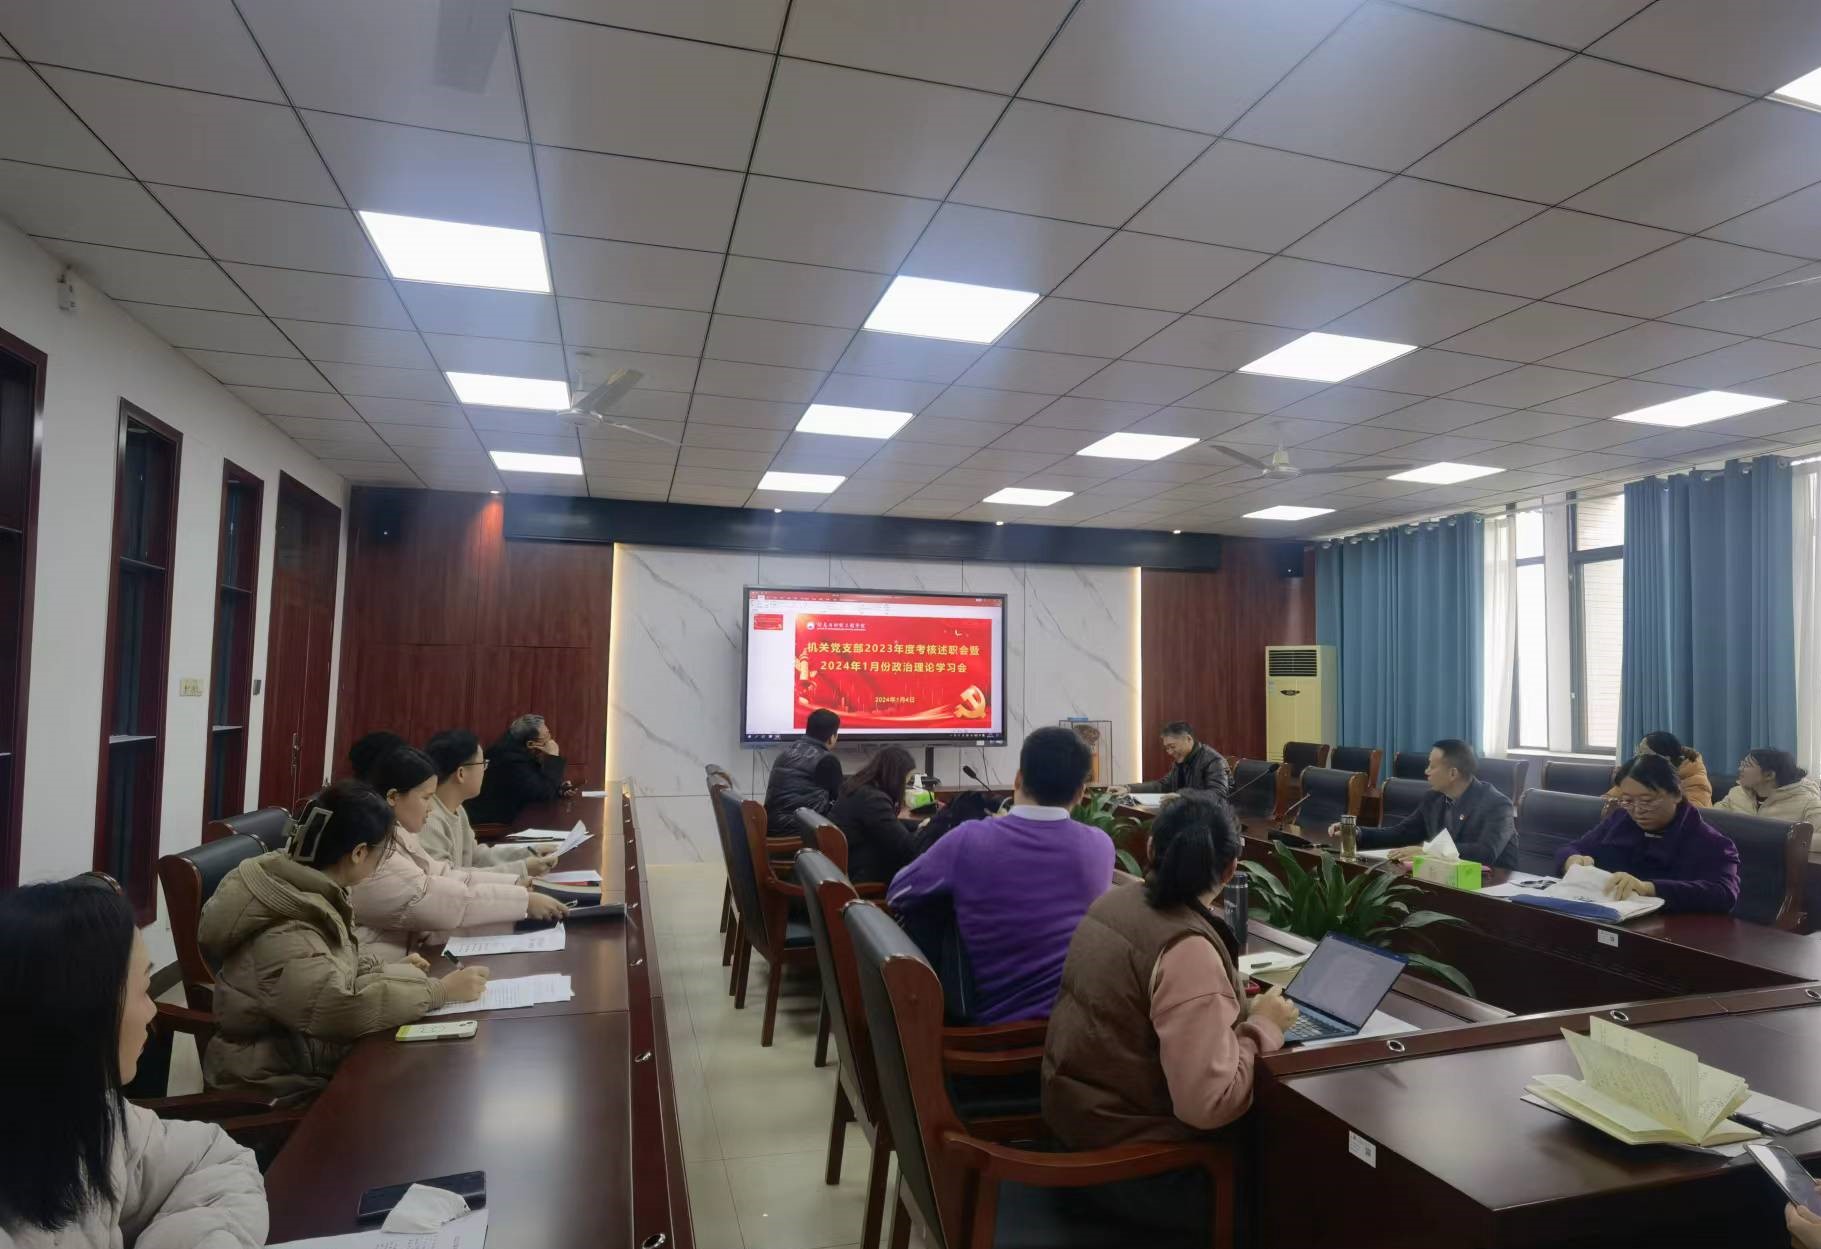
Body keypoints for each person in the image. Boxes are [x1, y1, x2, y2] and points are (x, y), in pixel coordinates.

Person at [0, 879, 268, 1248]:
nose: (153, 1012)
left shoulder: (89, 1115)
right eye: (143, 990)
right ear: (81, 1012)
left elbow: (216, 1160)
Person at [199, 780, 489, 1102]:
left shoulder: (307, 887)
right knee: (425, 1090)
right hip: (274, 1080)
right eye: (382, 854)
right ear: (359, 853)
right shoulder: (287, 924)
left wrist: (390, 970)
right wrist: (439, 991)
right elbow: (342, 1008)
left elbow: (332, 968)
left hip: (302, 1051)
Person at [888, 726, 1113, 1024]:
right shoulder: (1100, 846)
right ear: (1081, 793)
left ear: (1018, 779)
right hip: (1071, 1029)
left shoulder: (969, 839)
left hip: (989, 1033)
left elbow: (897, 893)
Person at [351, 746, 568, 961]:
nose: (430, 808)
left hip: (412, 950)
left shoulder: (398, 834)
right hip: (384, 964)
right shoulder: (376, 853)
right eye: (425, 798)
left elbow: (445, 875)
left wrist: (515, 883)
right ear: (393, 797)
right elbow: (442, 901)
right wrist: (523, 900)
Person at [1556, 753, 1740, 913]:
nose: (1638, 810)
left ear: (1676, 794)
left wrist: (1648, 888)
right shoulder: (1619, 821)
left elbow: (1724, 893)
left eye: (1647, 801)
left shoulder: (1712, 842)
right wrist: (1571, 860)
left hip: (1670, 931)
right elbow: (1573, 848)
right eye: (1628, 801)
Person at [1338, 739, 1516, 868]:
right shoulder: (1434, 798)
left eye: (1432, 766)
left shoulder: (1497, 805)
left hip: (1491, 887)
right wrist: (1356, 832)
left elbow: (1485, 852)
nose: (1426, 771)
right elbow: (1402, 833)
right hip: (1445, 879)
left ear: (1453, 773)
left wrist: (1426, 851)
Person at [421, 730, 557, 880]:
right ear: (461, 773)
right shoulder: (428, 819)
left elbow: (475, 857)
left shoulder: (457, 809)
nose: (485, 771)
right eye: (482, 764)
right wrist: (522, 868)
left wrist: (528, 853)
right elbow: (447, 880)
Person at [827, 746, 928, 885]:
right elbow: (907, 848)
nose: (906, 785)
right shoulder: (874, 800)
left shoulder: (859, 787)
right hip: (863, 873)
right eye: (907, 779)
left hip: (849, 861)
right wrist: (926, 832)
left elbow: (888, 824)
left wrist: (919, 825)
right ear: (896, 777)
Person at [466, 714, 574, 825]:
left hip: (513, 817)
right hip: (493, 824)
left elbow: (534, 787)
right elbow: (543, 795)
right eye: (547, 736)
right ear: (531, 744)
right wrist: (553, 757)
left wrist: (558, 789)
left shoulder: (513, 749)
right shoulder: (510, 760)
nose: (550, 740)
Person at [764, 708, 844, 839]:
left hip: (773, 829)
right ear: (832, 738)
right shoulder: (827, 760)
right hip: (799, 832)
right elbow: (840, 800)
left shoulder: (786, 752)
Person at [1716, 748, 1821, 827]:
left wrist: (1785, 841)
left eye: (1746, 765)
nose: (1740, 769)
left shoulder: (1807, 802)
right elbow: (1711, 820)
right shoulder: (1737, 793)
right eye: (1742, 764)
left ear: (1769, 775)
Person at [1604, 731, 1712, 808]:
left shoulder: (1696, 780)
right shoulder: (1641, 773)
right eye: (1637, 753)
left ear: (1665, 759)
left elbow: (1692, 814)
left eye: (1643, 755)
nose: (1637, 759)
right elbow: (1606, 801)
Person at [1128, 722, 1230, 802]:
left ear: (1188, 739)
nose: (1170, 752)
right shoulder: (1181, 761)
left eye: (1172, 747)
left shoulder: (1214, 761)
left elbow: (1218, 795)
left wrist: (1183, 796)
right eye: (1167, 748)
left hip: (1211, 817)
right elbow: (1163, 785)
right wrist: (1128, 788)